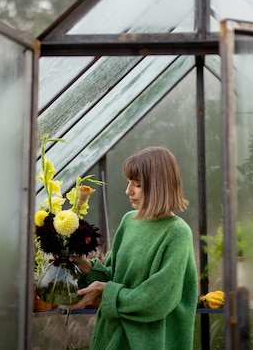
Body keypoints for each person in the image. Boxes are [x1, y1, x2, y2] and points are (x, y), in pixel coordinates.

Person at [70, 146, 198, 350]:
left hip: (148, 342)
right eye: (128, 182)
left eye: (137, 184)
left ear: (159, 186)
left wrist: (107, 291)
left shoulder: (177, 233)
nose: (128, 191)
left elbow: (157, 299)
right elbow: (117, 277)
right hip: (112, 335)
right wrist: (86, 266)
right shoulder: (129, 221)